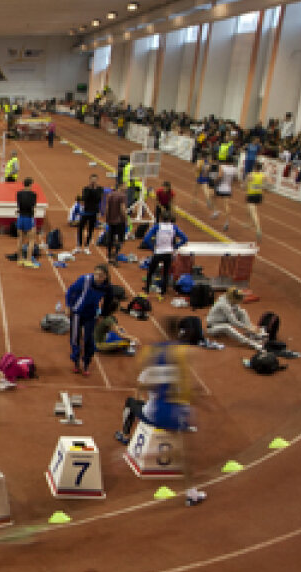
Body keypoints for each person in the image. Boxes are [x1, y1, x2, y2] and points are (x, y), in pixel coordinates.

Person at [114, 323, 207, 506]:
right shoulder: (180, 362)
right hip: (176, 410)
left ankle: (129, 443)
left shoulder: (154, 362)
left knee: (132, 403)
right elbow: (189, 391)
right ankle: (191, 493)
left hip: (158, 411)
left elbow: (141, 386)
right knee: (185, 452)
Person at [66, 264, 112, 376]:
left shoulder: (107, 287)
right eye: (96, 274)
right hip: (77, 312)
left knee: (88, 340)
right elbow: (71, 291)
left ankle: (86, 363)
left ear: (105, 277)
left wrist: (102, 315)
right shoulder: (84, 279)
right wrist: (68, 306)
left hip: (91, 314)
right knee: (75, 338)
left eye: (100, 275)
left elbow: (108, 302)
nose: (97, 277)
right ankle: (76, 361)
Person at [144, 211, 189, 295]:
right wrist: (175, 247)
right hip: (168, 252)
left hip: (158, 252)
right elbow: (185, 238)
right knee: (165, 272)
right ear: (169, 219)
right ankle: (163, 291)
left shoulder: (157, 227)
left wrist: (152, 248)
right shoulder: (174, 227)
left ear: (161, 218)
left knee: (151, 271)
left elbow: (146, 239)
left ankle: (147, 288)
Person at [15, 177, 40, 267]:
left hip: (20, 217)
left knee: (20, 239)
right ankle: (28, 260)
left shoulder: (18, 194)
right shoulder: (33, 194)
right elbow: (33, 207)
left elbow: (19, 205)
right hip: (29, 218)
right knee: (31, 240)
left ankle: (20, 259)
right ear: (30, 185)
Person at [77, 175, 103, 255]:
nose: (93, 181)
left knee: (90, 229)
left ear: (97, 180)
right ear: (89, 180)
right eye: (92, 180)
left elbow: (98, 198)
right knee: (80, 227)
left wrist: (92, 191)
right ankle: (78, 246)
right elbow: (85, 198)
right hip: (86, 211)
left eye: (95, 180)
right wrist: (91, 190)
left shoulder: (100, 189)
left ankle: (87, 246)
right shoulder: (86, 189)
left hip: (94, 212)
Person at [213, 157, 239, 230]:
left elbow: (220, 176)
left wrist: (215, 180)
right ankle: (227, 222)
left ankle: (215, 211)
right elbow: (235, 179)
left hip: (221, 187)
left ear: (226, 162)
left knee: (213, 196)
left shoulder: (222, 167)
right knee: (226, 205)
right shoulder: (234, 169)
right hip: (228, 189)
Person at [245, 164, 266, 240]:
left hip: (251, 195)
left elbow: (245, 185)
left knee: (254, 212)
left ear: (254, 168)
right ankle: (250, 223)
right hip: (259, 195)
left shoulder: (250, 175)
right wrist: (262, 187)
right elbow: (270, 183)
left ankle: (258, 229)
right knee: (248, 209)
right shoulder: (263, 175)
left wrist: (244, 186)